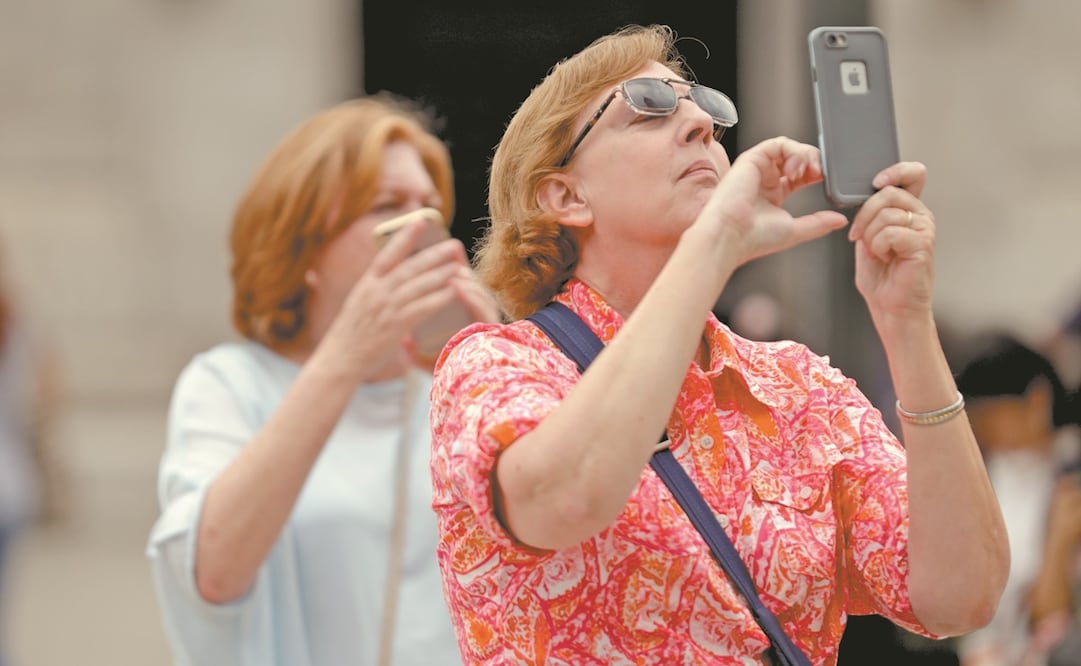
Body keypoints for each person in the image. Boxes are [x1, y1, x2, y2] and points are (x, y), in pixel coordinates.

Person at [427, 24, 1009, 664]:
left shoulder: (797, 386)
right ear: (565, 195)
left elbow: (959, 596)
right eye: (649, 104)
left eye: (703, 105)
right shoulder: (498, 364)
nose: (701, 122)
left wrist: (907, 324)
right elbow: (565, 499)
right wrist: (716, 244)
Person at [146, 94, 497, 666]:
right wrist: (346, 356)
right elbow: (209, 572)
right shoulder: (229, 385)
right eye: (388, 207)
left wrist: (501, 376)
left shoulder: (454, 390)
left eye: (430, 210)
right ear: (303, 244)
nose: (419, 231)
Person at [951, 334, 1081, 666]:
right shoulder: (990, 474)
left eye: (990, 417)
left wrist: (1060, 542)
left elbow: (1052, 613)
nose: (981, 432)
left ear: (1037, 401)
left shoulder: (1070, 472)